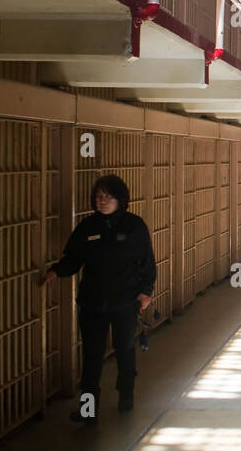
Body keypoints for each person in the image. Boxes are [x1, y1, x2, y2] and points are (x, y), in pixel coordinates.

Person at [38, 174, 156, 421]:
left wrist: (145, 292)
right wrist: (56, 271)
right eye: (98, 196)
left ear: (120, 199)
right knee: (91, 357)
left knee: (124, 350)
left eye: (107, 196)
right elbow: (73, 259)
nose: (102, 201)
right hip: (92, 303)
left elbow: (147, 262)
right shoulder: (87, 227)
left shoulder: (134, 226)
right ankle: (88, 409)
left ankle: (126, 395)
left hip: (125, 301)